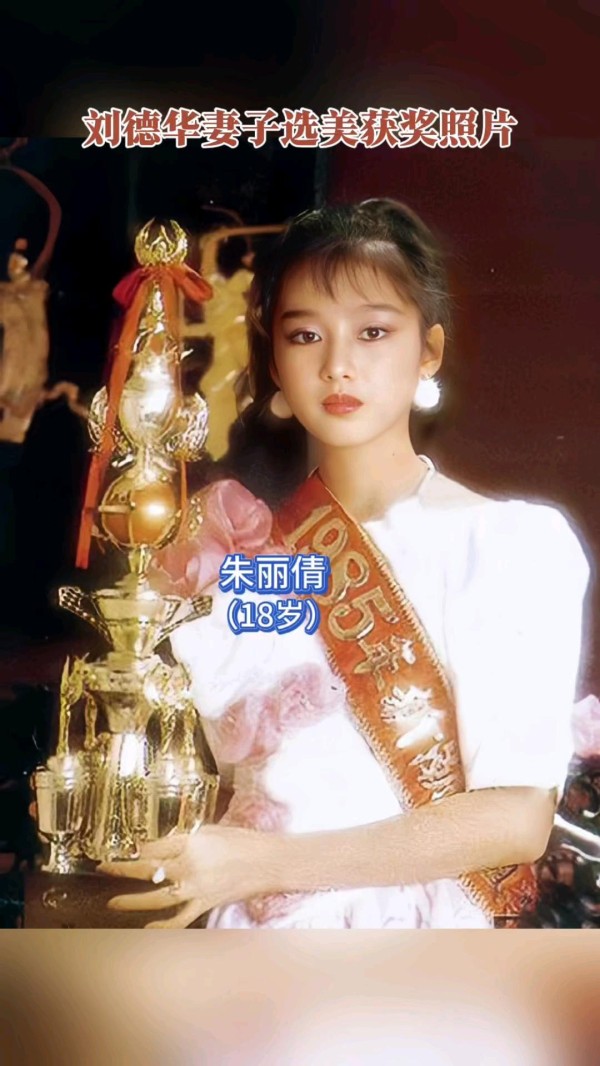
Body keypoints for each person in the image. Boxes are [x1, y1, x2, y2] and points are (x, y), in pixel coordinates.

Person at [99, 199, 589, 928]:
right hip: (251, 940)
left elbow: (515, 818)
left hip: (420, 947)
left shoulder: (507, 544)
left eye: (373, 332)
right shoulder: (245, 558)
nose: (337, 366)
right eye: (305, 336)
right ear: (275, 364)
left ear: (429, 352)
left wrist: (267, 865)